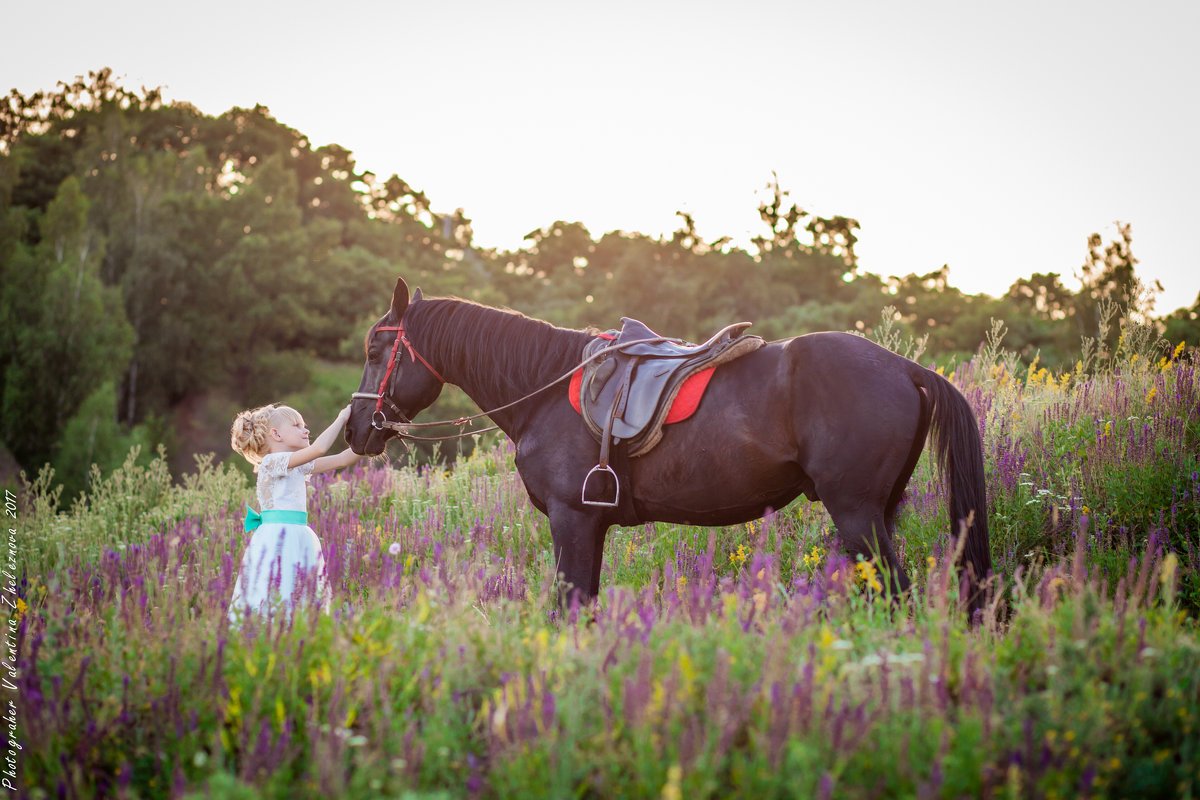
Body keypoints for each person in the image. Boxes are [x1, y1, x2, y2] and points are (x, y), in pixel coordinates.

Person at [227, 403, 361, 622]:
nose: (305, 430)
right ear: (276, 434)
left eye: (304, 425)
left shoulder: (296, 465)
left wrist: (377, 435)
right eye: (297, 425)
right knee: (278, 591)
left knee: (302, 596)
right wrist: (341, 419)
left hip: (300, 535)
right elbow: (319, 449)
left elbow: (343, 459)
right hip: (278, 538)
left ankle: (300, 638)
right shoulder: (271, 462)